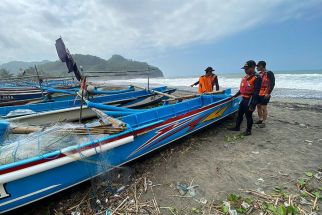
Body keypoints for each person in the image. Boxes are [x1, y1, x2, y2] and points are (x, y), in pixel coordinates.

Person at [228, 60, 262, 136]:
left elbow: (256, 92)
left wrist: (253, 105)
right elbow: (242, 89)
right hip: (243, 99)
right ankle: (237, 127)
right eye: (244, 69)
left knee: (248, 116)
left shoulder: (257, 78)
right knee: (239, 114)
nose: (245, 70)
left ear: (253, 67)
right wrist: (235, 96)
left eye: (247, 69)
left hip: (250, 100)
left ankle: (248, 131)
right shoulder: (246, 77)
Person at [255, 61, 275, 127]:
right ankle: (260, 119)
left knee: (264, 107)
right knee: (258, 106)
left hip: (265, 93)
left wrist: (268, 93)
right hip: (258, 93)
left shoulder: (269, 73)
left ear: (262, 66)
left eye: (258, 66)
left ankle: (264, 122)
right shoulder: (259, 74)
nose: (256, 67)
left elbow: (272, 84)